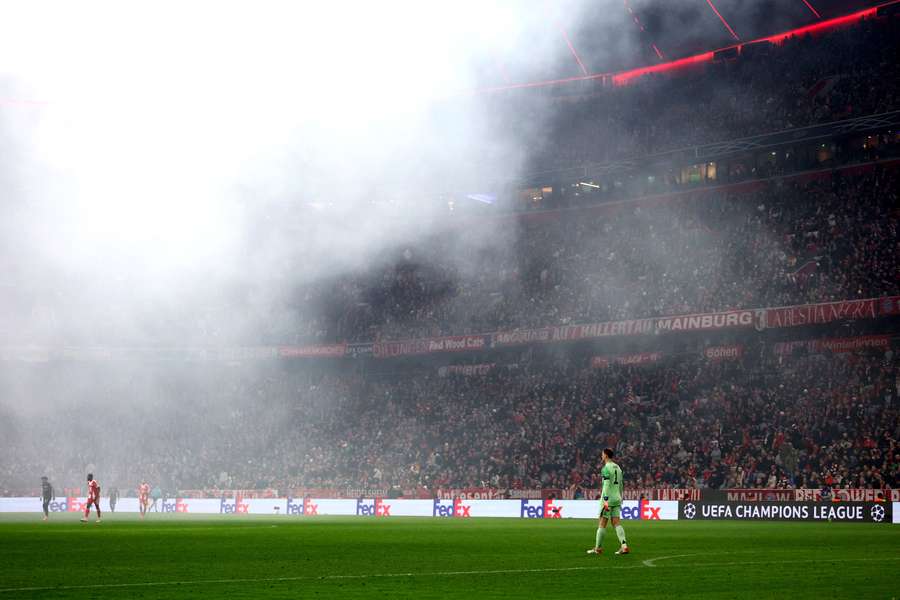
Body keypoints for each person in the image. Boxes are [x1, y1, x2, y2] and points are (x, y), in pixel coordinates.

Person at [587, 448, 629, 556]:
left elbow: (606, 485)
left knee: (602, 523)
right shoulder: (618, 468)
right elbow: (621, 484)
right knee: (616, 523)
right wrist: (621, 497)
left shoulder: (605, 468)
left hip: (608, 499)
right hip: (617, 498)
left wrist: (605, 500)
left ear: (605, 455)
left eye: (602, 454)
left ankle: (598, 548)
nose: (601, 456)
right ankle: (624, 546)